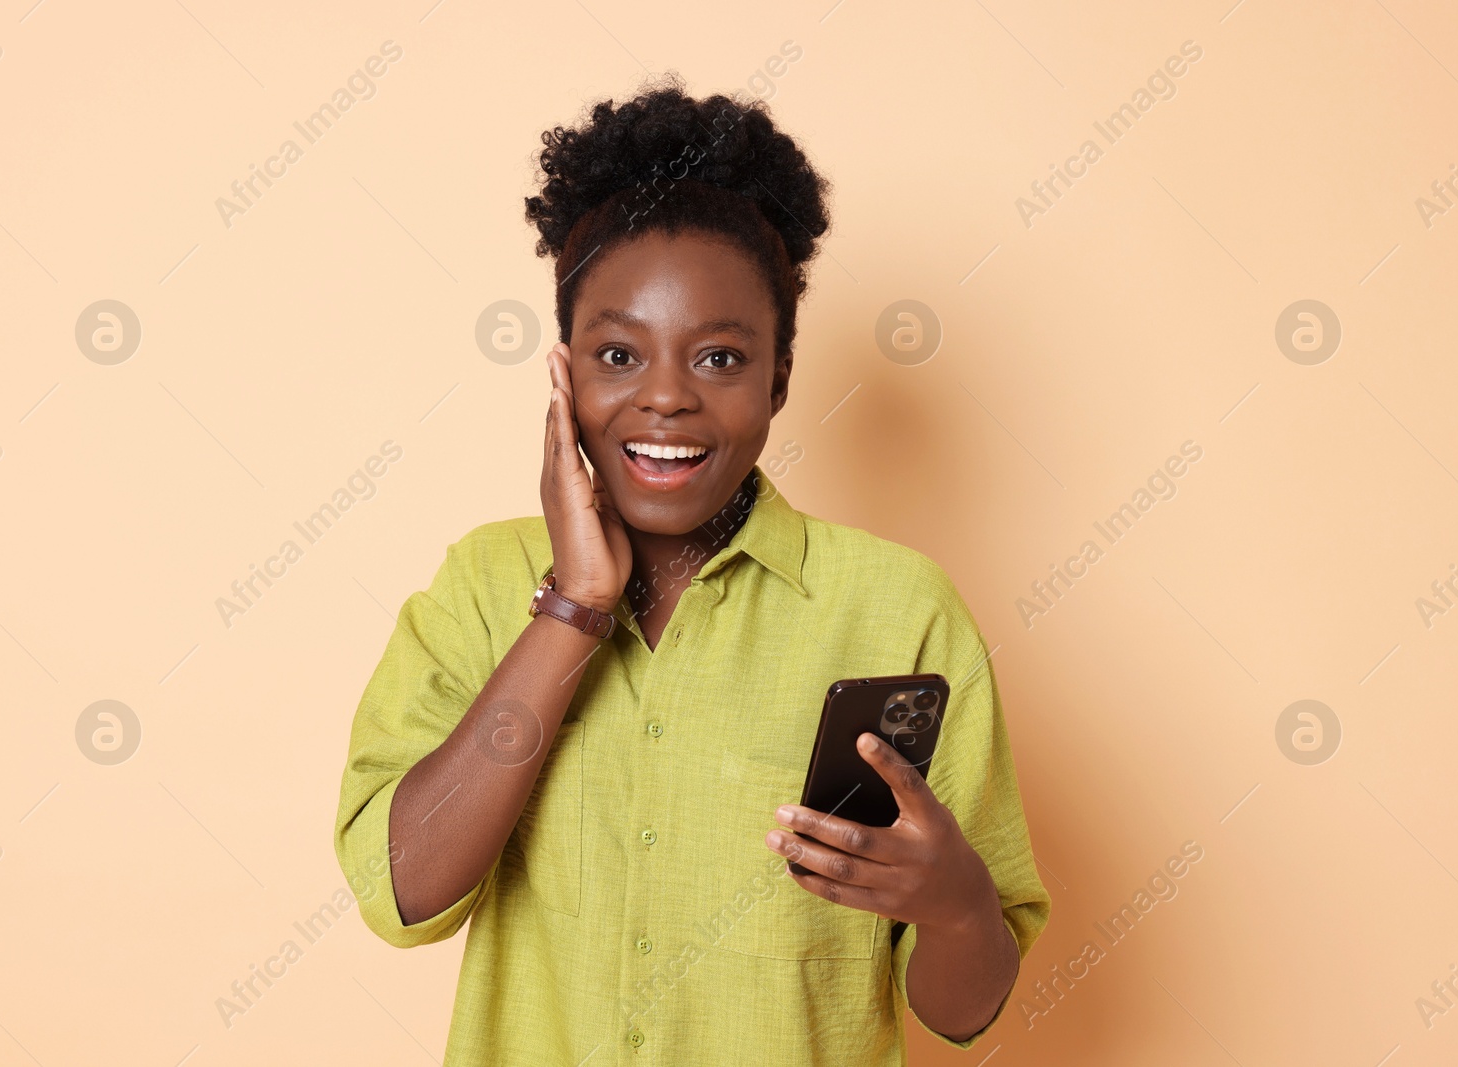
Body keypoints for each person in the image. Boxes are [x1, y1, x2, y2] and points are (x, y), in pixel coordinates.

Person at [334, 78, 1050, 1065]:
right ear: (564, 373)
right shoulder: (481, 582)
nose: (666, 396)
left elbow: (962, 1011)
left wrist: (957, 902)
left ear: (779, 378)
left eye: (718, 358)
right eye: (618, 353)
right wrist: (573, 608)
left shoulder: (898, 611)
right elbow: (400, 891)